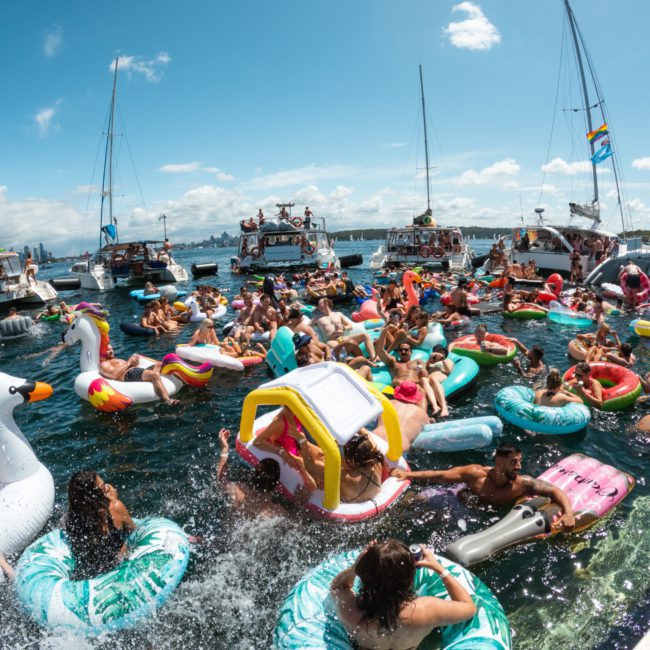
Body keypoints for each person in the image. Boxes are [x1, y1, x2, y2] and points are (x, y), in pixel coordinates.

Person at [330, 540, 476, 650]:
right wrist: (438, 568)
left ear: (363, 575)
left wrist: (356, 567)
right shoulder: (427, 609)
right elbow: (468, 607)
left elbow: (337, 587)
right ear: (410, 577)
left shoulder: (350, 611)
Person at [392, 443, 576, 529]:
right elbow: (441, 475)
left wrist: (568, 513)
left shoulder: (522, 484)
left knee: (437, 521)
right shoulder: (475, 473)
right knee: (420, 498)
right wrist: (408, 474)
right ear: (499, 462)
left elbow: (554, 490)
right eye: (514, 462)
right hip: (457, 496)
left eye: (520, 462)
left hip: (473, 514)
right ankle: (394, 514)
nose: (519, 467)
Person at [64, 470, 136, 580]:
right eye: (103, 487)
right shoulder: (114, 508)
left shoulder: (72, 519)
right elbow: (134, 532)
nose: (108, 487)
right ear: (95, 494)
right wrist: (115, 500)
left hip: (86, 575)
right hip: (117, 570)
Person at [216, 428, 288, 518]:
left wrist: (224, 447)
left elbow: (220, 479)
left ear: (253, 475)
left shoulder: (237, 492)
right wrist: (302, 498)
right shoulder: (276, 512)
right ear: (277, 485)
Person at [99, 344, 180, 405]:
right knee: (154, 374)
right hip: (129, 375)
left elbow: (128, 366)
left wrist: (134, 363)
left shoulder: (116, 360)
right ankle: (167, 400)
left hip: (135, 370)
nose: (111, 351)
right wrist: (129, 362)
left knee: (163, 364)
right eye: (108, 349)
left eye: (112, 349)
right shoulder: (104, 364)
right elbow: (114, 375)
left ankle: (185, 381)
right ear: (103, 352)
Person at [311, 297, 378, 361]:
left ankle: (373, 357)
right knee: (333, 346)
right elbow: (307, 327)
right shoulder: (316, 318)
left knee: (365, 335)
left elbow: (350, 326)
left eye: (320, 303)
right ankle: (357, 360)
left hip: (342, 338)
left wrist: (343, 328)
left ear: (326, 303)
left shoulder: (338, 314)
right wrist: (313, 336)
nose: (318, 306)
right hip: (332, 340)